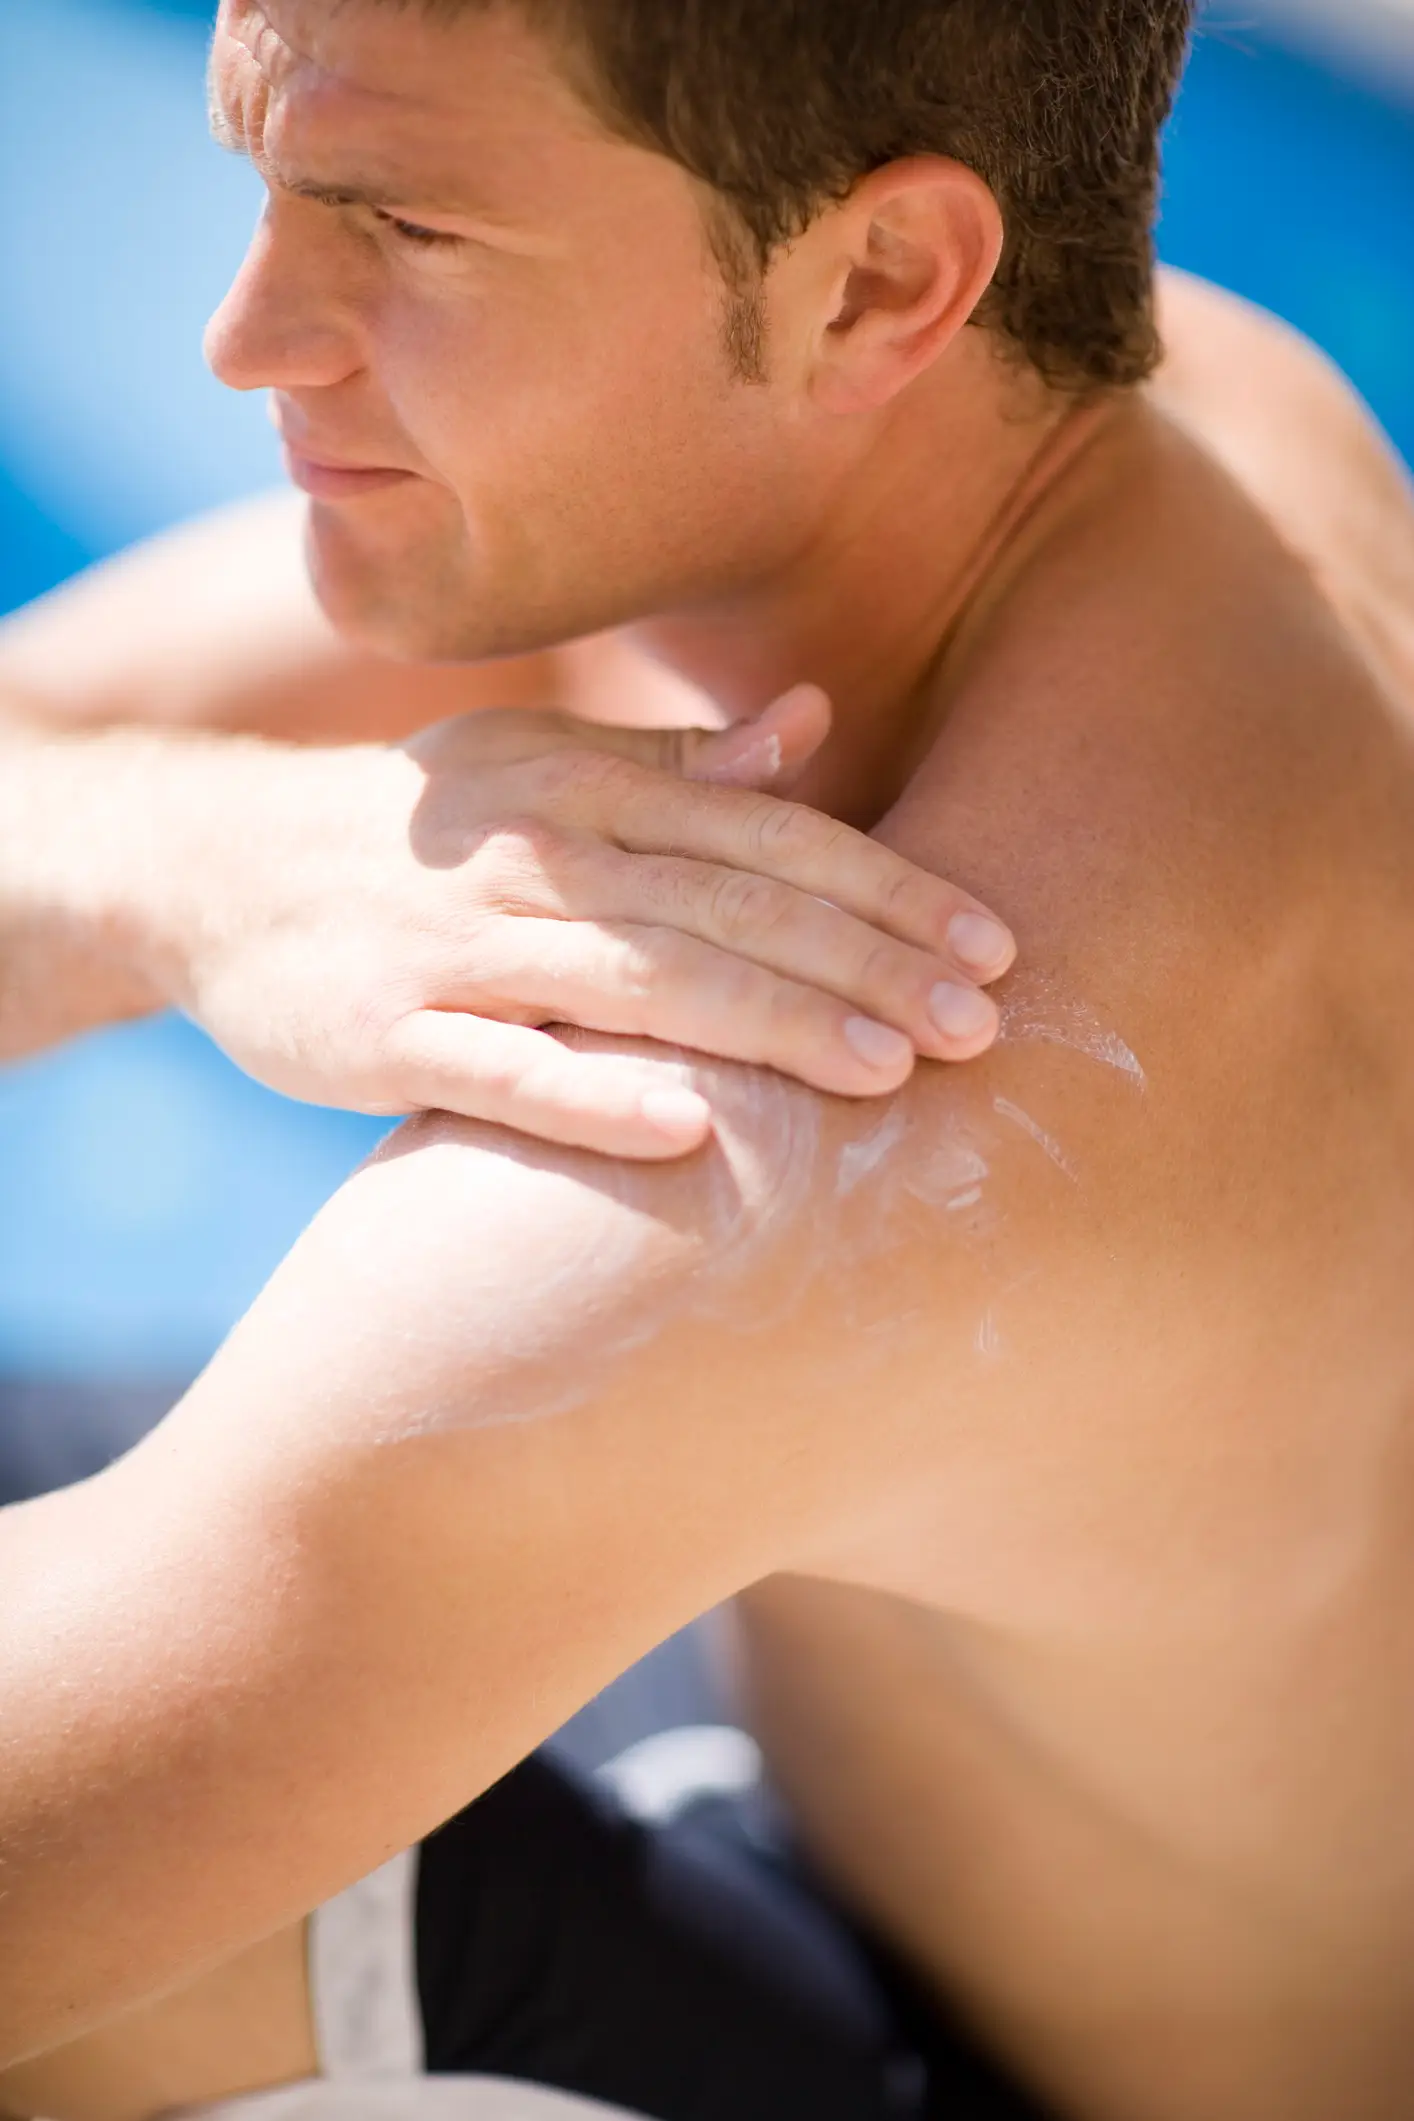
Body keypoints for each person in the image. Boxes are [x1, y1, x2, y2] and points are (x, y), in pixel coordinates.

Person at [4, 0, 1414, 2116]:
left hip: (952, 2041)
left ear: (874, 279)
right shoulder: (1087, 407)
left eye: (392, 220)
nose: (247, 332)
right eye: (263, 177)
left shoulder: (831, 1123)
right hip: (855, 1720)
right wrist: (199, 862)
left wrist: (139, 868)